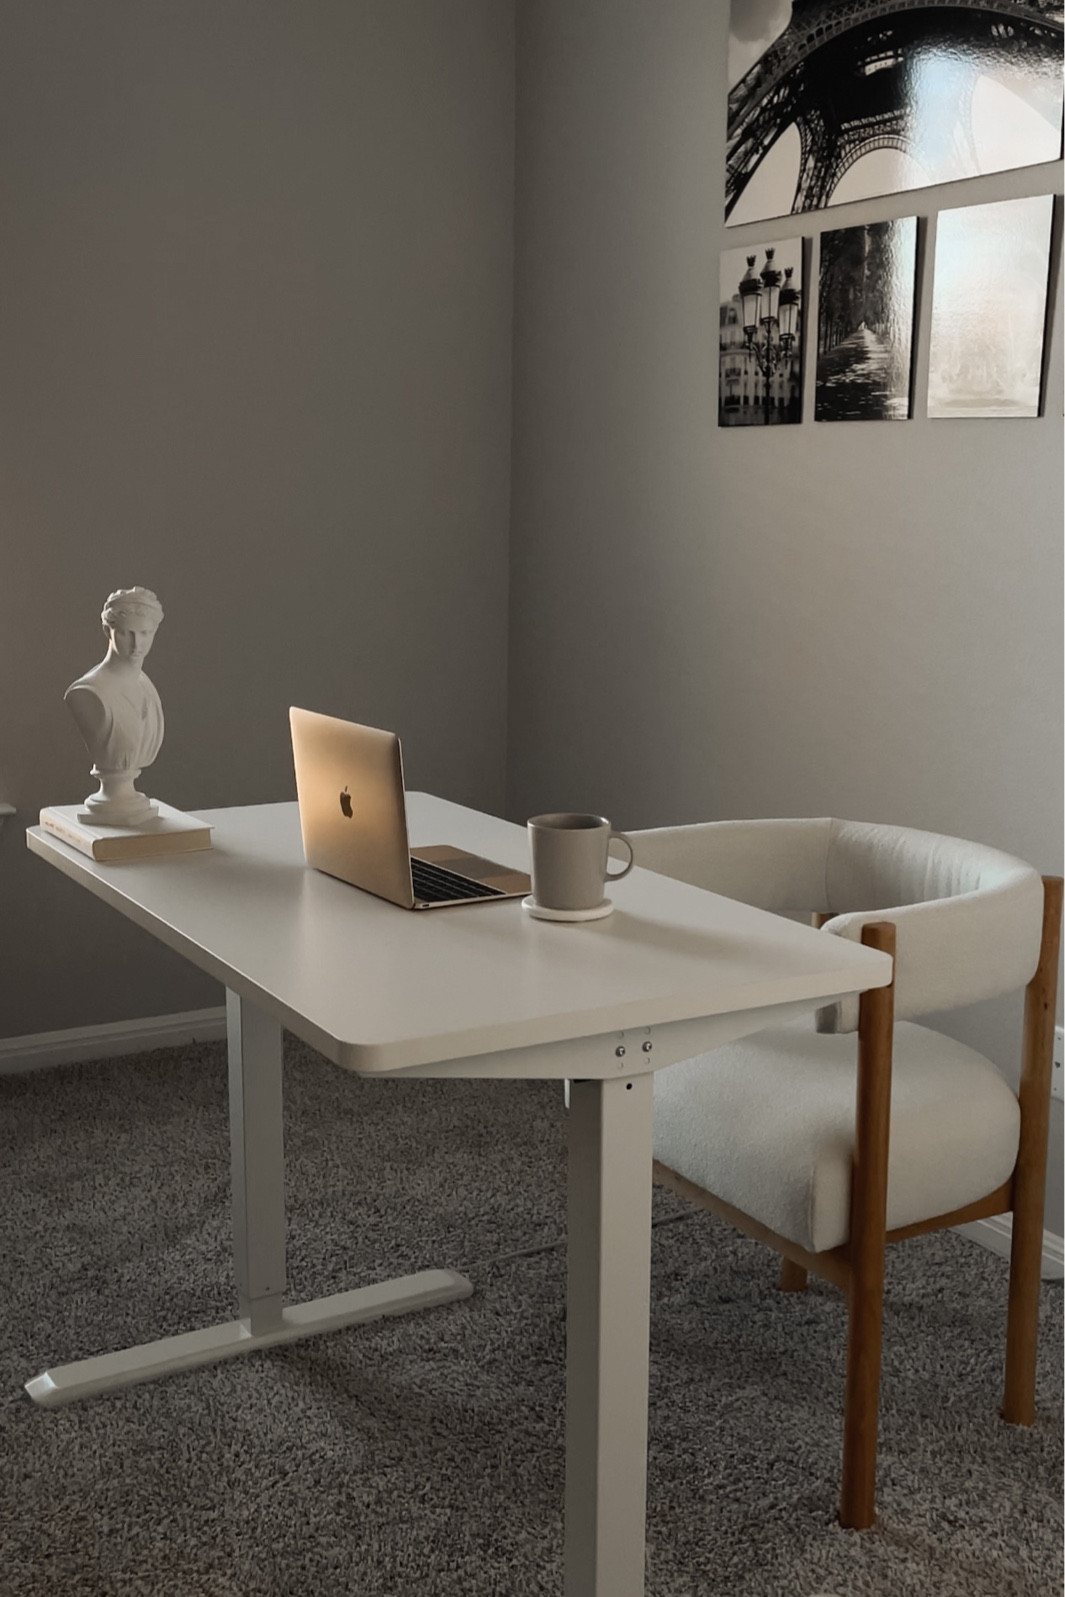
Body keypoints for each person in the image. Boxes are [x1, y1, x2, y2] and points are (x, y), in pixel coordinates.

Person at [66, 587, 165, 824]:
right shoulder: (88, 692)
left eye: (145, 633)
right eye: (125, 633)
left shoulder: (146, 687)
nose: (136, 644)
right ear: (107, 631)